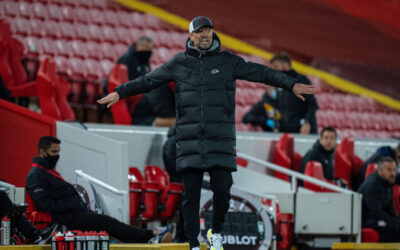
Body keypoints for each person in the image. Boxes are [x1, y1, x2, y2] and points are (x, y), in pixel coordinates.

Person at [98, 16, 315, 250]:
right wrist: (120, 92)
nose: (204, 35)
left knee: (222, 190)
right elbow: (148, 81)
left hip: (220, 140)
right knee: (190, 197)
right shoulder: (178, 63)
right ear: (191, 35)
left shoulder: (228, 61)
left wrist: (290, 84)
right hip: (189, 140)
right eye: (200, 31)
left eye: (208, 30)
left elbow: (262, 73)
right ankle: (192, 242)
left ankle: (216, 233)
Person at [26, 136, 175, 244]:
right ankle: (150, 235)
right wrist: (73, 204)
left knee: (109, 223)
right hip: (62, 220)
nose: (56, 156)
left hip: (73, 215)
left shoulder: (48, 172)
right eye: (53, 152)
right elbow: (45, 206)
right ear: (42, 152)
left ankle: (149, 237)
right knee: (106, 222)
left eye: (58, 152)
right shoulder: (36, 175)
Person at [117, 36, 176, 127]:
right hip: (137, 97)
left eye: (150, 48)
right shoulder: (127, 59)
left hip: (144, 95)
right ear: (138, 46)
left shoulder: (144, 61)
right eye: (145, 47)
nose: (147, 51)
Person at [268, 52, 318, 134]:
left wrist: (306, 122)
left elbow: (312, 103)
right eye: (273, 67)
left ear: (286, 65)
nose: (274, 70)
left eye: (276, 66)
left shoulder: (301, 80)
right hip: (286, 130)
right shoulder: (279, 83)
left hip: (302, 130)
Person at [358, 157, 400, 242]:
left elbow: (390, 208)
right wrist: (394, 222)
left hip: (377, 218)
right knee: (393, 228)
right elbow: (375, 212)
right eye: (389, 170)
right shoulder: (372, 185)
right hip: (366, 220)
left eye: (394, 170)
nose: (393, 173)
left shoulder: (388, 183)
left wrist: (397, 220)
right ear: (380, 171)